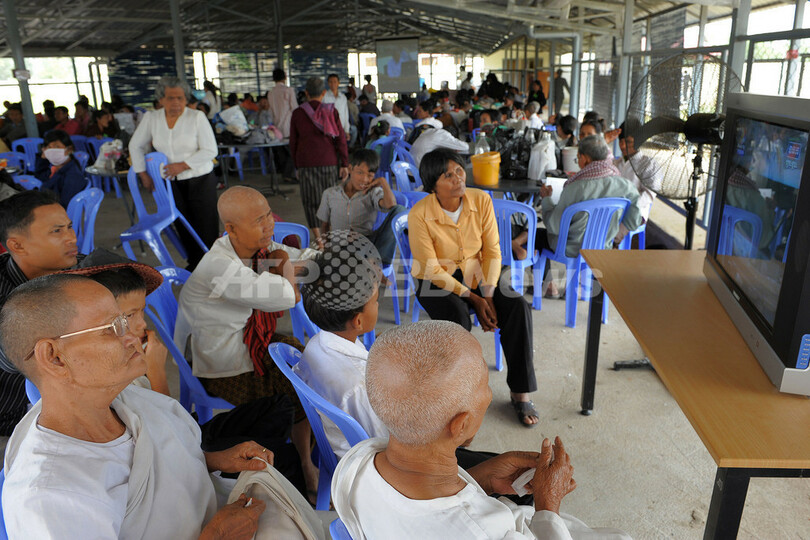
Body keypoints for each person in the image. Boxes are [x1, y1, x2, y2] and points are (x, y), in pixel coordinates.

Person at [0, 274, 328, 539]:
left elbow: (153, 462)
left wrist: (211, 460)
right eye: (113, 327)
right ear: (54, 357)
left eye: (127, 319)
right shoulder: (50, 494)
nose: (134, 335)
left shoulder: (124, 400)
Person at [332, 320, 631, 540]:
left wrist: (481, 480)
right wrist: (548, 506)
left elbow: (427, 513)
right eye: (485, 384)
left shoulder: (356, 463)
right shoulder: (485, 531)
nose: (489, 394)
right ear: (460, 424)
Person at [174, 185, 321, 500]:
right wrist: (285, 261)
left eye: (268, 215)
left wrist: (294, 261)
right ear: (231, 229)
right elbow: (288, 295)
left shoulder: (255, 249)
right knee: (298, 385)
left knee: (306, 361)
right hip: (221, 365)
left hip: (248, 342)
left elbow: (309, 262)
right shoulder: (221, 267)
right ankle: (305, 465)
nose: (269, 225)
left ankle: (306, 450)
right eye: (259, 220)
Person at [408, 149, 538, 426]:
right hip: (434, 278)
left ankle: (520, 392)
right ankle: (456, 396)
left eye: (459, 171)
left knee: (517, 307)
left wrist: (487, 294)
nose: (458, 178)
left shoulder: (481, 200)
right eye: (448, 175)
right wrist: (474, 299)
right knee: (457, 319)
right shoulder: (419, 214)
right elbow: (431, 268)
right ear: (433, 185)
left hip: (476, 272)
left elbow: (492, 251)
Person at [297, 232, 386, 458]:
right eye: (375, 301)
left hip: (335, 444)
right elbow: (385, 442)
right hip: (365, 462)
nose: (377, 305)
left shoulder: (315, 344)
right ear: (358, 321)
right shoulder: (360, 385)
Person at [0, 191, 80, 435]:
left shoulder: (85, 269)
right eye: (56, 231)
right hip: (13, 414)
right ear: (17, 245)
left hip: (75, 398)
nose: (71, 238)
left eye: (69, 227)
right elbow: (10, 359)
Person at [129, 75, 218, 270]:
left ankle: (211, 267)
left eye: (180, 98)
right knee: (182, 225)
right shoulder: (152, 118)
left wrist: (183, 165)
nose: (176, 102)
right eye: (171, 98)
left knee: (205, 225)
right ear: (161, 99)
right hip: (170, 182)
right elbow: (135, 145)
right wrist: (143, 174)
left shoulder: (196, 117)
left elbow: (211, 150)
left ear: (186, 99)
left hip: (200, 179)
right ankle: (194, 265)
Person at [537, 135, 643, 259]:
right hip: (604, 248)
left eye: (578, 158)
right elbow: (634, 221)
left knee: (535, 235)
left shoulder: (574, 188)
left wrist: (546, 199)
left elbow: (554, 227)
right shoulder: (627, 186)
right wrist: (612, 234)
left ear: (584, 158)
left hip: (570, 250)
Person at [83, 263, 171, 396]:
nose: (143, 324)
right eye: (130, 315)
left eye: (142, 310)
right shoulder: (109, 378)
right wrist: (156, 371)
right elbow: (164, 410)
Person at [316, 149, 405, 265]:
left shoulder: (372, 192)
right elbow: (324, 225)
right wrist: (327, 249)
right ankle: (371, 264)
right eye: (360, 173)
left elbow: (391, 205)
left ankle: (376, 261)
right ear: (350, 169)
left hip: (368, 243)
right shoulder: (330, 194)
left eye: (370, 175)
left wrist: (383, 182)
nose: (364, 179)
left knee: (400, 210)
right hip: (341, 246)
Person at [289, 77, 349, 238]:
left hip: (306, 163)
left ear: (306, 93)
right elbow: (341, 139)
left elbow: (293, 142)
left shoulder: (298, 113)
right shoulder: (331, 111)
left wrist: (297, 165)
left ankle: (318, 238)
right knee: (329, 200)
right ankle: (328, 235)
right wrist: (344, 163)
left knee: (310, 201)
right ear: (323, 92)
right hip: (329, 162)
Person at [32, 129, 86, 208]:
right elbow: (40, 177)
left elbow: (65, 206)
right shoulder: (56, 169)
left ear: (69, 149)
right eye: (49, 147)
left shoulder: (73, 176)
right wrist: (42, 159)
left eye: (57, 146)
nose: (52, 151)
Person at [266, 68, 298, 180]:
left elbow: (270, 111)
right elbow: (295, 109)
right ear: (285, 77)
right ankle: (288, 174)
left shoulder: (271, 93)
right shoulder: (289, 90)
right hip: (288, 126)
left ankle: (285, 174)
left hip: (277, 127)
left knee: (282, 151)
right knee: (292, 151)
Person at [323, 73, 351, 142]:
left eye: (335, 82)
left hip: (341, 128)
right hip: (328, 129)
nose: (333, 84)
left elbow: (346, 114)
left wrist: (347, 130)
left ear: (338, 83)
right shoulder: (324, 97)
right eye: (330, 82)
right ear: (328, 83)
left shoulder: (343, 97)